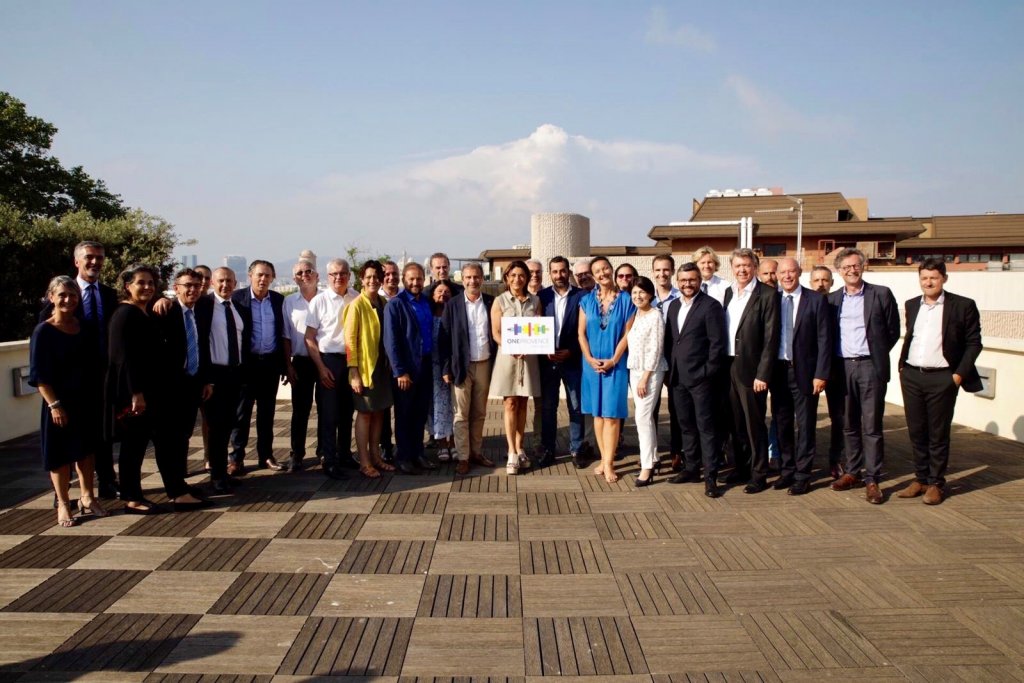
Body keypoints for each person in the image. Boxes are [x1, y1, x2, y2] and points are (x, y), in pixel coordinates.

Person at [897, 258, 983, 505]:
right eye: (924, 278)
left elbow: (974, 343)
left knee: (938, 432)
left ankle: (936, 483)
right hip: (913, 375)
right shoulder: (912, 305)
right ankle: (920, 478)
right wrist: (903, 368)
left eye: (933, 277)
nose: (929, 282)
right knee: (916, 431)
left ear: (944, 278)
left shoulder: (962, 305)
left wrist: (957, 375)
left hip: (943, 378)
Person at [40, 241, 120, 500]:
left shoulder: (109, 294)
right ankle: (61, 494)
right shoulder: (59, 297)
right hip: (66, 384)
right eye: (89, 257)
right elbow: (44, 348)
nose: (95, 262)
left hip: (101, 378)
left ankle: (106, 482)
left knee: (100, 435)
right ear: (77, 261)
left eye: (99, 257)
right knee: (63, 440)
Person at [30, 276, 110, 526]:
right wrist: (54, 405)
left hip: (86, 400)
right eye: (62, 295)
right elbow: (39, 374)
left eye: (72, 295)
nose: (68, 299)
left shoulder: (83, 326)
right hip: (58, 404)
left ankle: (88, 497)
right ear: (51, 297)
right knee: (60, 456)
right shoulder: (44, 330)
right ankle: (64, 503)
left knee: (86, 453)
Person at [829, 248, 900, 505]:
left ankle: (872, 478)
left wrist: (875, 354)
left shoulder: (880, 294)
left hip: (870, 366)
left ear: (863, 265)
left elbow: (892, 331)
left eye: (855, 265)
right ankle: (852, 471)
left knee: (871, 426)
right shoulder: (832, 300)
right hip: (842, 368)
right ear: (839, 271)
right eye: (845, 267)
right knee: (848, 424)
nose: (851, 270)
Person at [768, 258, 832, 496]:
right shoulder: (772, 299)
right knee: (782, 423)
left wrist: (821, 374)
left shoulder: (816, 300)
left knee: (805, 427)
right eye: (782, 272)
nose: (786, 276)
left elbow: (825, 340)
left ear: (799, 273)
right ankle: (787, 471)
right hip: (778, 372)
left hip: (805, 373)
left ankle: (803, 476)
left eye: (791, 272)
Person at [105, 264, 166, 514]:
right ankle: (132, 497)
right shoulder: (124, 314)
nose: (147, 287)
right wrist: (135, 393)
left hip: (148, 390)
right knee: (132, 446)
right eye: (141, 283)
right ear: (127, 286)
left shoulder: (144, 312)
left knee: (139, 445)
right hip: (134, 394)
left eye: (151, 283)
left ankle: (134, 493)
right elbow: (122, 358)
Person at [664, 262, 726, 497]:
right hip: (678, 378)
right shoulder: (672, 306)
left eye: (691, 280)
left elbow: (717, 344)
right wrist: (670, 372)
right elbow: (671, 341)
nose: (687, 284)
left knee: (706, 428)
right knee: (686, 425)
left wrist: (707, 372)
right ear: (677, 281)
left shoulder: (711, 306)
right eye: (683, 280)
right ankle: (691, 468)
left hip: (701, 379)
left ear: (699, 280)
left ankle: (711, 477)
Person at [153, 268, 212, 510]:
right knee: (168, 440)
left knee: (183, 437)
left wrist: (206, 380)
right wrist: (160, 297)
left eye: (197, 286)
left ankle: (180, 483)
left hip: (193, 384)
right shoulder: (165, 311)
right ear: (176, 287)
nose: (192, 290)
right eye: (187, 285)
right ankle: (175, 491)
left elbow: (204, 346)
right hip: (168, 389)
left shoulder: (202, 311)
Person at [722, 248, 780, 494]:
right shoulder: (728, 293)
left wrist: (763, 374)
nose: (742, 270)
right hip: (729, 365)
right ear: (732, 268)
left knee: (754, 423)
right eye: (737, 266)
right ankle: (741, 467)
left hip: (752, 369)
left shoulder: (767, 294)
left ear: (755, 267)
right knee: (735, 421)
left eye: (746, 265)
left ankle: (759, 473)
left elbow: (771, 338)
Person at [579, 256, 636, 484]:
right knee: (598, 414)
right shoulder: (586, 301)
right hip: (591, 365)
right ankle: (603, 459)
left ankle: (610, 463)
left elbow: (628, 334)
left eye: (605, 269)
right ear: (593, 276)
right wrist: (589, 358)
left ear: (611, 270)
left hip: (616, 364)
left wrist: (613, 360)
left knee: (611, 414)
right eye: (597, 271)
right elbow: (581, 333)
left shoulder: (627, 300)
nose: (602, 273)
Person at [439, 262, 497, 476]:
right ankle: (463, 457)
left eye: (476, 277)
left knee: (480, 413)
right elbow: (443, 339)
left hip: (485, 363)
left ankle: (476, 452)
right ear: (462, 280)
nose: (473, 281)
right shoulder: (452, 305)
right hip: (461, 367)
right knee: (461, 414)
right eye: (468, 277)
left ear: (482, 278)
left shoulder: (491, 302)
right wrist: (446, 368)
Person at [230, 260, 287, 474]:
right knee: (241, 414)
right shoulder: (238, 299)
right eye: (259, 275)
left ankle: (266, 455)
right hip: (246, 365)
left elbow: (283, 334)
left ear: (273, 278)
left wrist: (284, 366)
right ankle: (236, 458)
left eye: (267, 275)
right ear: (250, 275)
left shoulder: (279, 300)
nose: (263, 279)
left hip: (269, 364)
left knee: (267, 413)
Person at [305, 258, 359, 480]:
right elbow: (309, 338)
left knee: (348, 412)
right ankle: (329, 459)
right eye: (334, 274)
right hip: (329, 361)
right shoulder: (319, 301)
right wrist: (320, 367)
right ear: (327, 276)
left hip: (352, 361)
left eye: (343, 273)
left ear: (349, 275)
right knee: (329, 415)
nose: (339, 277)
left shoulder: (356, 297)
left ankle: (345, 453)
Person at [342, 260, 396, 479]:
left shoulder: (383, 302)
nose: (373, 280)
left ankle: (376, 457)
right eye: (369, 277)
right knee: (364, 414)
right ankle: (364, 461)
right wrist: (353, 371)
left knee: (379, 412)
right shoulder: (356, 305)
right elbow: (350, 341)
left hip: (382, 368)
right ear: (362, 280)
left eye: (376, 277)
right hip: (364, 369)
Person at [384, 262, 437, 474]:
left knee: (420, 413)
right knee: (404, 414)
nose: (415, 282)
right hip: (406, 369)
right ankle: (403, 457)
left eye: (419, 279)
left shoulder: (426, 302)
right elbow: (391, 341)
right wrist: (399, 371)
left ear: (424, 280)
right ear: (404, 280)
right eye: (411, 279)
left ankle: (418, 453)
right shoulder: (395, 305)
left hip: (425, 364)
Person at [489, 260, 542, 475]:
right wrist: (511, 346)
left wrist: (531, 344)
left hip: (528, 358)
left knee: (522, 403)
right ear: (507, 278)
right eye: (513, 275)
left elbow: (538, 330)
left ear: (527, 278)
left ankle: (521, 447)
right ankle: (511, 451)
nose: (517, 279)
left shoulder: (535, 301)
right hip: (508, 358)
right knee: (510, 402)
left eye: (521, 275)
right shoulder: (499, 301)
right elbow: (496, 333)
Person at [199, 267, 247, 493]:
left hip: (234, 374)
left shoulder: (238, 307)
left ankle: (223, 473)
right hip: (214, 375)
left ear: (235, 284)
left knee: (229, 424)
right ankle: (216, 475)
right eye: (220, 281)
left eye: (229, 281)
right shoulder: (205, 306)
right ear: (211, 283)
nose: (225, 285)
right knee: (216, 427)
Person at [537, 256, 585, 468]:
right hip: (548, 362)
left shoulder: (582, 296)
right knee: (548, 408)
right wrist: (543, 349)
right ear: (550, 274)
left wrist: (572, 351)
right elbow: (535, 327)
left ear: (569, 272)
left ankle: (576, 449)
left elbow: (586, 331)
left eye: (563, 271)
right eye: (555, 271)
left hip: (572, 360)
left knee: (576, 406)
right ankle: (548, 449)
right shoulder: (541, 296)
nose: (559, 275)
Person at [626, 276, 667, 487]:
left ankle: (647, 467)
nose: (638, 296)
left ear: (650, 294)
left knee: (642, 418)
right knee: (644, 418)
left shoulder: (655, 316)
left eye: (641, 292)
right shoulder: (636, 315)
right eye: (634, 293)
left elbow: (656, 349)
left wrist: (644, 377)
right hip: (635, 370)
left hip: (649, 373)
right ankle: (654, 458)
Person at [282, 258, 319, 471]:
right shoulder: (290, 302)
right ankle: (297, 453)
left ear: (317, 275)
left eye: (308, 271)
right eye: (299, 273)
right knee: (300, 410)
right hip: (301, 362)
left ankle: (325, 451)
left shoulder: (326, 299)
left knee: (327, 409)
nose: (304, 275)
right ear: (294, 278)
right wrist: (288, 365)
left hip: (323, 361)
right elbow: (286, 336)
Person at [811, 265, 845, 479]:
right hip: (809, 370)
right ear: (810, 282)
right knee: (806, 418)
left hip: (836, 369)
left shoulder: (838, 303)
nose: (821, 284)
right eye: (817, 280)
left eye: (825, 280)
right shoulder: (805, 303)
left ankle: (837, 460)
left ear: (832, 282)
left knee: (839, 417)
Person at [651, 254, 682, 472]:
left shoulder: (681, 297)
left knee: (676, 409)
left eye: (666, 270)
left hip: (673, 360)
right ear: (653, 272)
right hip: (651, 362)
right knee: (649, 411)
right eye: (658, 270)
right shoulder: (644, 297)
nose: (662, 274)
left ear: (672, 271)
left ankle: (677, 452)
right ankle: (651, 455)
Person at [429, 281, 456, 460]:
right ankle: (440, 443)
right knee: (436, 406)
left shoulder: (455, 315)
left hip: (451, 366)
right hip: (431, 367)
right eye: (439, 291)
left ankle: (453, 441)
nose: (443, 294)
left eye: (447, 292)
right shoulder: (427, 314)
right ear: (432, 295)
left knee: (453, 405)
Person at [379, 260, 401, 460]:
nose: (391, 277)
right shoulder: (374, 299)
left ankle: (405, 446)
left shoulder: (406, 298)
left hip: (403, 364)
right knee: (383, 408)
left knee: (403, 407)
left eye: (394, 273)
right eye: (387, 274)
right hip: (381, 364)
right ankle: (385, 445)